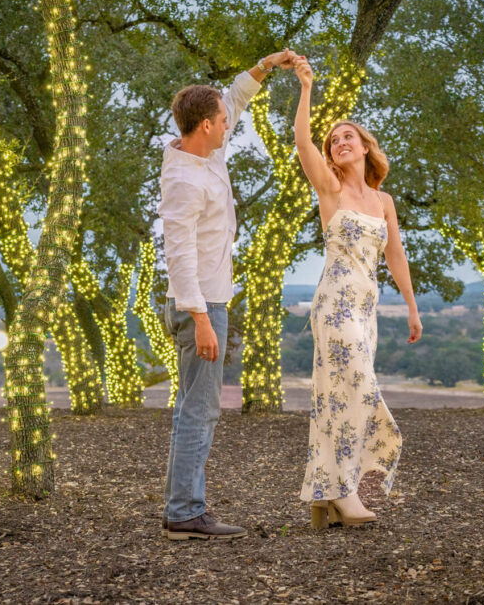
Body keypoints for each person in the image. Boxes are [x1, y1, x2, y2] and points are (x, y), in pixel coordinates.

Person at [159, 49, 298, 540]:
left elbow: (234, 100)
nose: (228, 124)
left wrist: (265, 66)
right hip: (199, 306)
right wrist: (200, 318)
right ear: (204, 126)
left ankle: (183, 508)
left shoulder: (206, 151)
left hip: (207, 303)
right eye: (221, 121)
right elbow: (178, 255)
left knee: (194, 410)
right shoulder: (183, 179)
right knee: (199, 412)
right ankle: (185, 513)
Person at [291, 56, 423, 528]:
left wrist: (411, 308)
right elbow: (302, 141)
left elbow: (396, 256)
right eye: (334, 140)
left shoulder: (383, 201)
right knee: (359, 390)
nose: (340, 142)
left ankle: (324, 491)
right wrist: (307, 87)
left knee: (336, 396)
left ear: (366, 147)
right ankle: (343, 492)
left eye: (348, 136)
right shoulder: (329, 188)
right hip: (334, 304)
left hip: (367, 308)